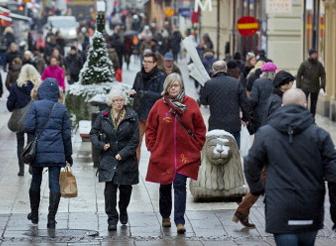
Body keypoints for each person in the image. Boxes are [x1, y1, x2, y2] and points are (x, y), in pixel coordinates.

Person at [244, 88, 336, 246]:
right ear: (305, 104)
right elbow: (333, 174)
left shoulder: (266, 134)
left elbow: (251, 163)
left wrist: (257, 188)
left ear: (282, 105)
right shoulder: (320, 136)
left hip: (279, 205)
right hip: (310, 205)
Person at [145, 73, 206, 234]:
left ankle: (180, 221)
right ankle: (165, 215)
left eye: (176, 85)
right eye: (170, 85)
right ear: (166, 87)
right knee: (164, 186)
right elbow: (150, 128)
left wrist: (197, 144)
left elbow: (200, 128)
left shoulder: (191, 104)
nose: (173, 88)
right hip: (164, 154)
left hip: (184, 155)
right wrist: (152, 146)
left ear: (181, 87)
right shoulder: (159, 105)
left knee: (180, 185)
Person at [24, 78, 73, 229]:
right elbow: (66, 135)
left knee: (35, 181)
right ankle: (51, 219)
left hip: (38, 151)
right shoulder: (61, 109)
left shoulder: (35, 106)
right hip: (57, 152)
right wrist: (68, 155)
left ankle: (34, 214)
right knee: (54, 184)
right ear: (56, 93)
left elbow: (28, 126)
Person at [90, 89, 139, 231]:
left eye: (121, 100)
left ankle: (123, 209)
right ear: (111, 102)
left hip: (126, 159)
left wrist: (123, 154)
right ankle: (112, 218)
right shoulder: (103, 116)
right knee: (109, 191)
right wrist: (100, 145)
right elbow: (93, 133)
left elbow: (135, 140)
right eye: (116, 100)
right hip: (109, 157)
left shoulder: (132, 116)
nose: (119, 103)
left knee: (125, 189)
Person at [200, 60, 251, 146]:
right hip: (233, 125)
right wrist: (246, 118)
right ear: (226, 69)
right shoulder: (236, 83)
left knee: (215, 153)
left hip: (215, 125)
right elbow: (244, 103)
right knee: (234, 152)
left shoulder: (209, 84)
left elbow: (203, 101)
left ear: (213, 70)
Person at [129, 51, 166, 161]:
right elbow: (135, 89)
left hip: (154, 116)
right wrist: (132, 93)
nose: (146, 64)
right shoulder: (139, 75)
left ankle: (157, 171)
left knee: (154, 146)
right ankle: (134, 172)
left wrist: (143, 93)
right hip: (139, 115)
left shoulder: (161, 76)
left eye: (149, 62)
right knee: (136, 145)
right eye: (144, 61)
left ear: (155, 63)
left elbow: (161, 95)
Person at [7, 64, 41, 176]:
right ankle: (31, 166)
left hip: (19, 119)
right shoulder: (38, 87)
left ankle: (21, 169)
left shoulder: (16, 86)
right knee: (31, 143)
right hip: (33, 119)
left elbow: (10, 104)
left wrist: (15, 107)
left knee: (19, 143)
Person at [248, 62, 277, 134]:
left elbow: (253, 100)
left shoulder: (258, 82)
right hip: (274, 113)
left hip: (259, 115)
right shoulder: (277, 83)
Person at [296, 49, 326, 118]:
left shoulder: (319, 65)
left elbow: (323, 75)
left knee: (314, 104)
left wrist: (323, 85)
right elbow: (299, 75)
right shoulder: (304, 64)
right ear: (310, 55)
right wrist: (298, 86)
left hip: (315, 87)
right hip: (305, 87)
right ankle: (304, 116)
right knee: (304, 103)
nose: (315, 55)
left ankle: (312, 118)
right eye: (314, 54)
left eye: (316, 54)